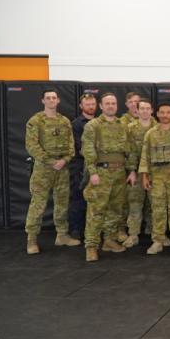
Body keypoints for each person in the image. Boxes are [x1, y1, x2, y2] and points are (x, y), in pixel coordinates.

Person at [81, 93, 134, 261]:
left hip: (119, 173)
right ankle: (91, 245)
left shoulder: (123, 126)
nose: (111, 106)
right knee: (96, 210)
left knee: (116, 209)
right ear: (101, 106)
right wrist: (93, 172)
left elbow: (130, 150)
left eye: (113, 103)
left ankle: (109, 240)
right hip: (101, 173)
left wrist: (131, 170)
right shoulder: (93, 125)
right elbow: (88, 150)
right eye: (107, 103)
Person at [24, 89, 77, 254]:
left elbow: (71, 147)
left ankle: (62, 235)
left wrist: (64, 160)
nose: (51, 100)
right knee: (38, 205)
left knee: (62, 204)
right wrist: (50, 161)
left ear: (58, 100)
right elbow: (31, 146)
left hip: (62, 168)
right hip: (43, 169)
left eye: (54, 98)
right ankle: (31, 240)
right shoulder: (36, 121)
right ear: (43, 101)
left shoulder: (65, 121)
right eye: (48, 98)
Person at [140, 102, 170, 255]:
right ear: (158, 114)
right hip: (157, 178)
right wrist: (144, 176)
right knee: (157, 210)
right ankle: (158, 241)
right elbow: (145, 155)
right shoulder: (150, 134)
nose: (165, 115)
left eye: (168, 112)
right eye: (162, 112)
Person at [123, 99, 156, 248]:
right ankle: (133, 234)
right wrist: (131, 171)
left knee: (155, 205)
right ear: (137, 110)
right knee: (135, 204)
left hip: (156, 173)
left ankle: (156, 234)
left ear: (152, 110)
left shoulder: (159, 127)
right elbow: (128, 151)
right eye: (141, 108)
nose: (144, 111)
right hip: (136, 172)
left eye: (147, 108)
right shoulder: (130, 128)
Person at [69, 93, 97, 240]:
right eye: (87, 104)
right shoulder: (76, 124)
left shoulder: (100, 122)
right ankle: (76, 229)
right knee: (78, 198)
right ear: (81, 106)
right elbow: (80, 146)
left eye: (93, 104)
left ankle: (93, 230)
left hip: (97, 166)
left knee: (96, 199)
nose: (91, 106)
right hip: (80, 166)